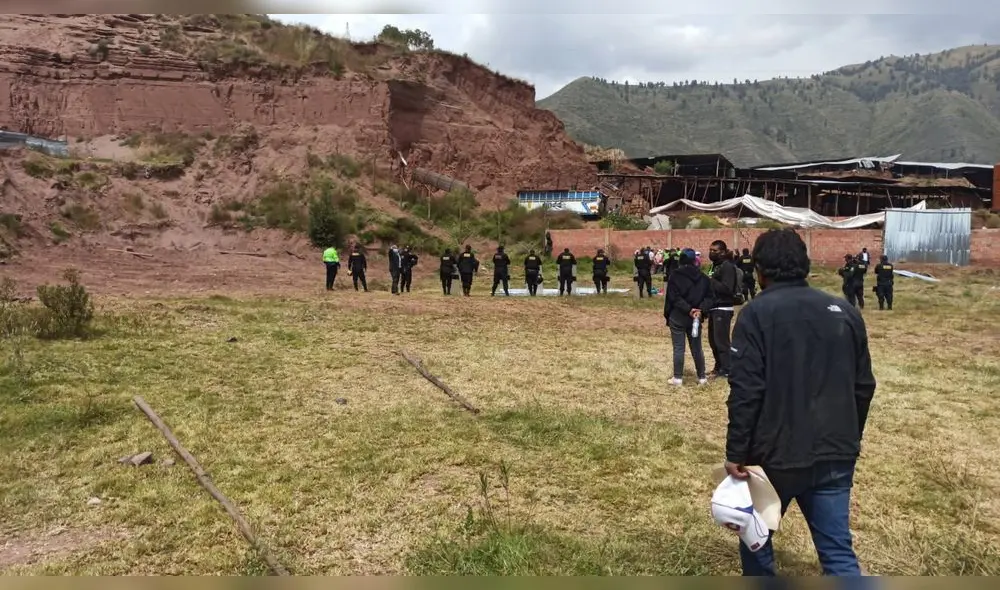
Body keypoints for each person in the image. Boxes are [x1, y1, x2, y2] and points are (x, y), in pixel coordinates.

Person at [724, 228, 876, 577]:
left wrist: (736, 452)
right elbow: (863, 386)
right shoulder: (844, 311)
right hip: (836, 453)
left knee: (756, 539)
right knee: (837, 552)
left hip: (774, 456)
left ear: (759, 270)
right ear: (804, 265)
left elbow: (746, 391)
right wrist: (850, 436)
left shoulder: (755, 314)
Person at [664, 248, 712, 386]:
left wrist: (688, 309)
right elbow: (710, 297)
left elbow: (674, 297)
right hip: (696, 317)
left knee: (679, 347)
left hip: (678, 316)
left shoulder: (675, 275)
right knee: (697, 347)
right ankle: (702, 377)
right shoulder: (703, 277)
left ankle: (678, 378)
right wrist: (700, 310)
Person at [708, 240, 739, 379]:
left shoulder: (727, 267)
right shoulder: (715, 265)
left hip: (723, 308)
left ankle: (727, 370)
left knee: (721, 342)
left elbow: (727, 288)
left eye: (714, 251)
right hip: (713, 307)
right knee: (713, 341)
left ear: (722, 252)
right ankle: (718, 366)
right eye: (710, 250)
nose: (711, 253)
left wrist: (711, 281)